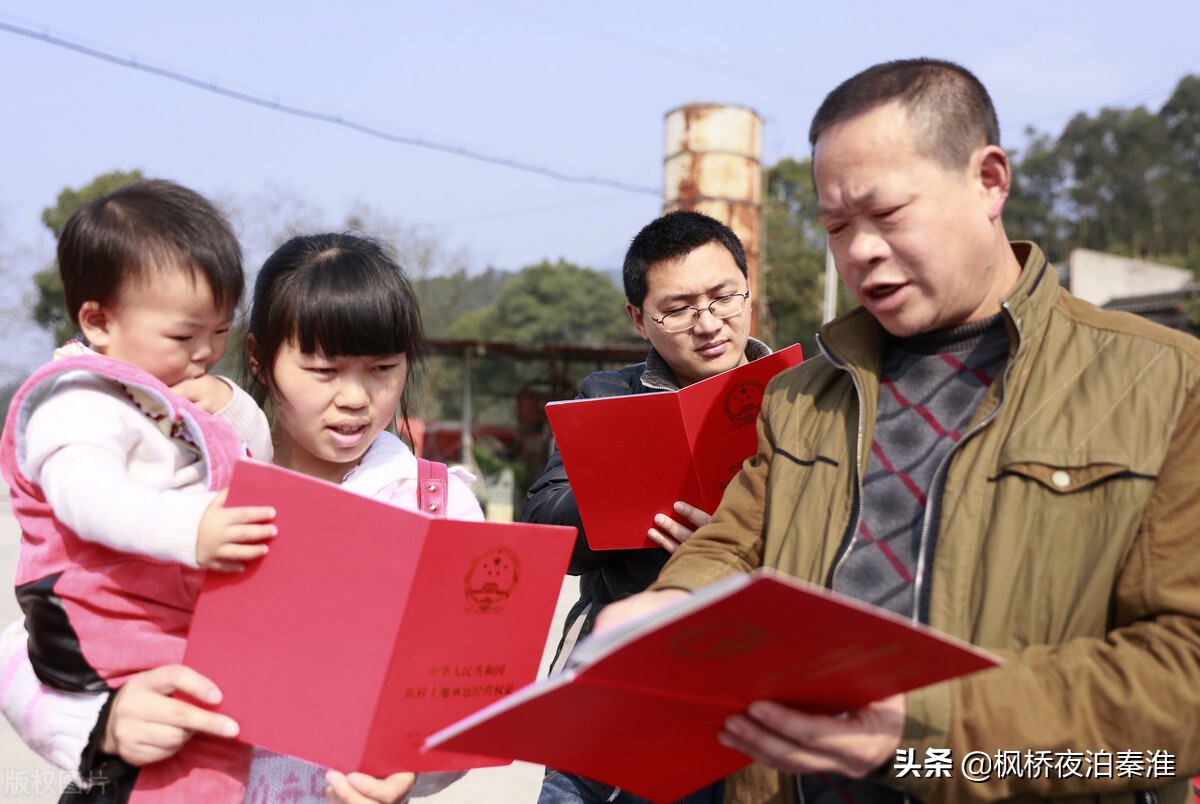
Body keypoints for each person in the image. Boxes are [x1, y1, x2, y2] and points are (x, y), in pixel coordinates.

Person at [597, 58, 1200, 804]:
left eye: (886, 215)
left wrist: (925, 723)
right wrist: (677, 601)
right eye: (836, 227)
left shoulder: (1164, 382)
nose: (860, 252)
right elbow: (734, 543)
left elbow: (1184, 673)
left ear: (989, 181)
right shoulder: (800, 398)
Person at [1, 232, 483, 803]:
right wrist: (102, 722)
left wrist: (408, 772)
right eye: (323, 370)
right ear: (258, 357)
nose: (357, 397)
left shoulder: (440, 509)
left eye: (383, 368)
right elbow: (45, 632)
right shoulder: (178, 481)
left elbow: (461, 704)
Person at [0, 178, 277, 800]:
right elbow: (86, 496)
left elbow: (249, 459)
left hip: (166, 633)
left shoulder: (165, 396)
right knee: (178, 770)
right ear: (98, 320)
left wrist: (228, 410)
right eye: (184, 336)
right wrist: (192, 530)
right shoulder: (76, 398)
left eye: (221, 331)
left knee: (211, 761)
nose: (206, 353)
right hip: (106, 634)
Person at [523, 210, 771, 804]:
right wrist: (638, 502)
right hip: (616, 700)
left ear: (748, 288)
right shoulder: (606, 400)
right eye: (678, 309)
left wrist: (732, 542)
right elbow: (544, 523)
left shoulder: (799, 397)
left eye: (723, 297)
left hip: (751, 696)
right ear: (639, 319)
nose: (708, 323)